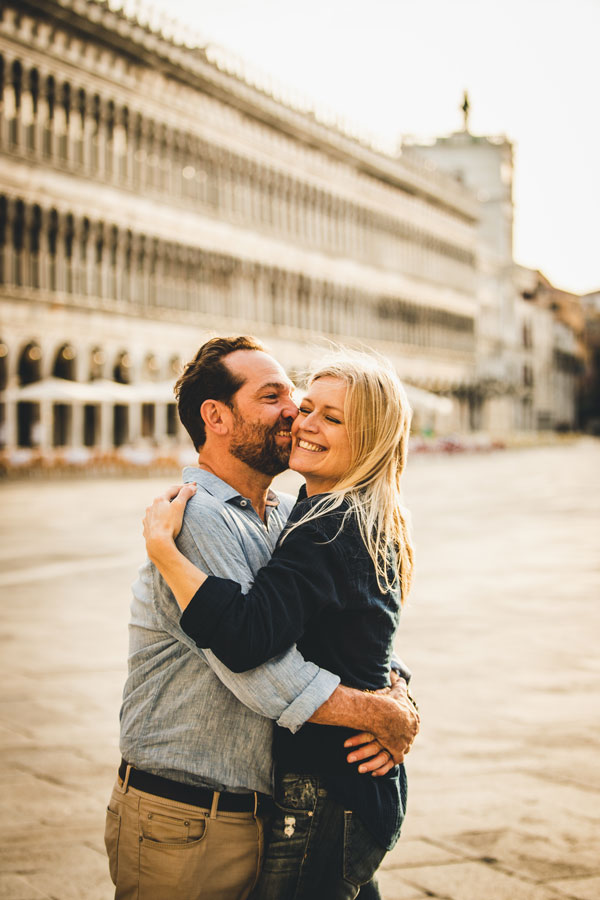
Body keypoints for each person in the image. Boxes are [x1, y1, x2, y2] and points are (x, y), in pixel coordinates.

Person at [105, 336, 418, 900]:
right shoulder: (193, 516)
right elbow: (261, 671)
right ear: (216, 417)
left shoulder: (283, 516)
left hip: (260, 809)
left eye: (299, 398)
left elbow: (346, 627)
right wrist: (379, 713)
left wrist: (398, 694)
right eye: (274, 396)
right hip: (187, 817)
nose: (295, 411)